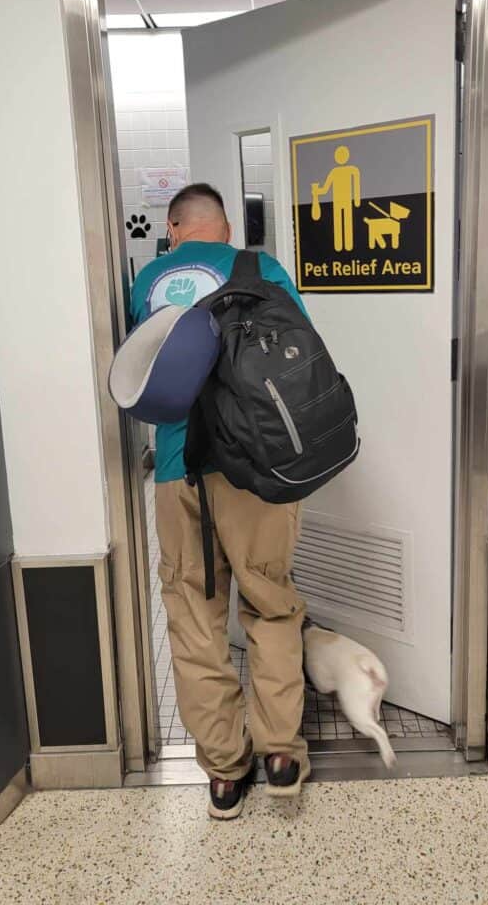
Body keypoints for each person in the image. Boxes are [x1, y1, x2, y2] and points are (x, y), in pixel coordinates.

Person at [130, 183, 310, 820]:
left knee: (194, 619)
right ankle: (282, 754)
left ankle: (226, 775)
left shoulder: (147, 281)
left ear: (174, 229)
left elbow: (140, 377)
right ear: (226, 227)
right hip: (260, 474)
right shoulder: (260, 269)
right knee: (271, 604)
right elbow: (300, 360)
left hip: (180, 472)